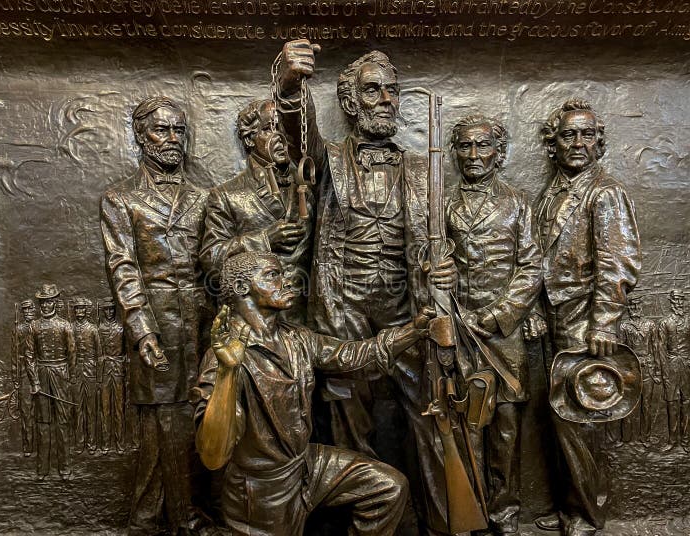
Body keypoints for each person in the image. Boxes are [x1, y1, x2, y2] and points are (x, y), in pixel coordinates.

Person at [274, 40, 457, 534]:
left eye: (392, 91)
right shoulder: (327, 159)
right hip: (343, 309)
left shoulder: (424, 170)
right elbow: (298, 137)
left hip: (408, 309)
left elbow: (442, 246)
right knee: (346, 421)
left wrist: (446, 273)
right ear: (351, 102)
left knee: (431, 415)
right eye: (373, 91)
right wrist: (291, 86)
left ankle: (444, 522)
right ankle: (363, 524)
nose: (386, 100)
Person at [191, 251, 439, 535]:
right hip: (261, 491)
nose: (286, 281)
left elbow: (350, 355)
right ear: (240, 288)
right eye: (273, 275)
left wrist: (412, 331)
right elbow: (213, 455)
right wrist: (227, 373)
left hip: (306, 467)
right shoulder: (222, 358)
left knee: (388, 487)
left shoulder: (296, 337)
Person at [100, 96, 209, 535]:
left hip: (201, 328)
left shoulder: (203, 197)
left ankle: (148, 519)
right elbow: (122, 269)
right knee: (165, 424)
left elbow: (212, 261)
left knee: (184, 422)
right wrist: (142, 332)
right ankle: (179, 519)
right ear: (140, 136)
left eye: (178, 131)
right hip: (158, 326)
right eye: (161, 130)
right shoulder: (120, 200)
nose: (171, 140)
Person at [534, 99, 641, 536]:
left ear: (599, 142)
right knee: (560, 418)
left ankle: (587, 515)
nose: (577, 143)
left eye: (587, 135)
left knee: (580, 422)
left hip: (584, 318)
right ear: (553, 143)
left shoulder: (605, 191)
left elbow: (619, 262)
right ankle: (568, 505)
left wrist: (604, 322)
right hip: (554, 316)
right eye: (568, 135)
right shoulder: (551, 194)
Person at [445, 114, 544, 535]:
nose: (473, 155)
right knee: (465, 425)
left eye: (482, 146)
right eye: (465, 146)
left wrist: (497, 315)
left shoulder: (518, 202)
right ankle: (472, 513)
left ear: (498, 154)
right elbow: (429, 259)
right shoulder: (441, 201)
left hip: (504, 336)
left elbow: (532, 266)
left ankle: (505, 514)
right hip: (457, 329)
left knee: (505, 430)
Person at [200, 99, 313, 323]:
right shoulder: (226, 195)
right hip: (253, 322)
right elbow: (211, 258)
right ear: (250, 138)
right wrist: (263, 240)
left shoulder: (307, 188)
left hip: (304, 317)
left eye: (284, 129)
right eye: (269, 129)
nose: (280, 138)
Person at [24, 283, 76, 481]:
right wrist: (35, 381)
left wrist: (68, 378)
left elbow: (72, 354)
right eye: (43, 302)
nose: (46, 305)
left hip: (61, 374)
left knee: (63, 422)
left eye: (49, 301)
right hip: (42, 374)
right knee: (43, 422)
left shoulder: (65, 325)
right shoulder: (33, 326)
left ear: (55, 302)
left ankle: (65, 467)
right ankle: (42, 469)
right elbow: (29, 356)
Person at [657, 289, 690, 453]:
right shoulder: (665, 323)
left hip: (687, 366)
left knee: (686, 402)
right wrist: (664, 369)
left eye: (681, 300)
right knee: (671, 403)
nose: (679, 303)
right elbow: (660, 347)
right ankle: (673, 440)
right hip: (671, 366)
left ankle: (686, 441)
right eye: (676, 301)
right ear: (671, 302)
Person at [617, 295, 660, 445]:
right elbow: (620, 349)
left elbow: (656, 348)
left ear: (642, 306)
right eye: (632, 306)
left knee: (646, 405)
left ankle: (645, 437)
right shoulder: (624, 326)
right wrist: (622, 371)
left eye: (637, 305)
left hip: (647, 367)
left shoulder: (650, 325)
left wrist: (657, 371)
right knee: (628, 403)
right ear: (628, 308)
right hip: (630, 369)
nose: (635, 309)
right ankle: (626, 437)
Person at [72, 297, 102, 455]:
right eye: (77, 309)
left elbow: (99, 355)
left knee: (91, 410)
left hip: (90, 372)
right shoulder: (70, 328)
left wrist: (98, 378)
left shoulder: (92, 329)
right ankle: (79, 442)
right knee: (78, 409)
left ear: (86, 310)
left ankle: (91, 442)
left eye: (82, 309)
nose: (79, 312)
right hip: (76, 372)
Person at [98, 298, 126, 454]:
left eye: (111, 309)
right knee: (105, 408)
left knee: (119, 409)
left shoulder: (121, 328)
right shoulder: (99, 328)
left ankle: (120, 442)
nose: (108, 312)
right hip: (104, 372)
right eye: (106, 310)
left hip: (118, 371)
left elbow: (127, 352)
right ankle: (106, 443)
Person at [14, 299, 37, 457]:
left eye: (30, 310)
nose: (28, 312)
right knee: (26, 412)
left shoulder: (39, 326)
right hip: (23, 374)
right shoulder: (19, 329)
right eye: (25, 310)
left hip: (41, 371)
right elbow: (14, 356)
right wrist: (15, 377)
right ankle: (28, 445)